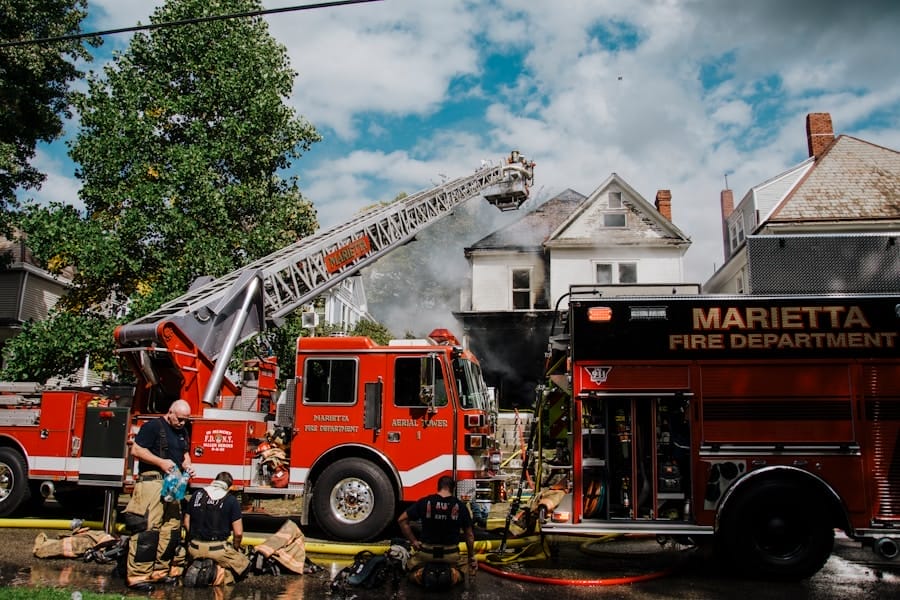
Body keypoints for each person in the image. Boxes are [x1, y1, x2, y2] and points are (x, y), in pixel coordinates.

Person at [124, 399, 194, 591]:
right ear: (170, 412)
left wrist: (187, 465)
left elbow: (184, 454)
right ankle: (138, 575)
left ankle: (160, 571)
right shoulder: (153, 427)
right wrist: (160, 462)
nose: (182, 423)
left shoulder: (182, 431)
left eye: (185, 420)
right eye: (179, 419)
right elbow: (136, 449)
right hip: (152, 481)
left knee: (171, 528)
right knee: (148, 528)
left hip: (174, 483)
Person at [397, 475, 477, 588]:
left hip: (426, 553)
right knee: (465, 570)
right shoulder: (461, 506)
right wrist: (471, 557)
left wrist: (413, 541)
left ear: (438, 487)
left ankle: (421, 575)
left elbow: (401, 520)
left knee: (408, 568)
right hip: (451, 555)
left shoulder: (424, 502)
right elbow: (469, 535)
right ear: (453, 489)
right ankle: (452, 575)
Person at [183, 471, 251, 586]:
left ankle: (199, 567)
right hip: (217, 550)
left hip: (194, 548)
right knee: (244, 565)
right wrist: (236, 548)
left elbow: (186, 522)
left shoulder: (197, 494)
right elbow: (238, 533)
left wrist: (193, 539)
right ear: (228, 486)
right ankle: (216, 575)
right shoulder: (231, 500)